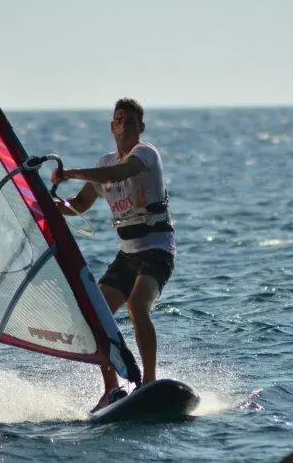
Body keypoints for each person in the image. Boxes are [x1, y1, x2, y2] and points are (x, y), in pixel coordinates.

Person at [50, 98, 175, 412]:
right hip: (127, 254)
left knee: (136, 305)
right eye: (119, 121)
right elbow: (78, 206)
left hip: (157, 249)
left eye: (131, 122)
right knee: (98, 315)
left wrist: (72, 173)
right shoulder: (104, 163)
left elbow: (120, 174)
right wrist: (50, 205)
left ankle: (148, 382)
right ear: (112, 126)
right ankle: (111, 390)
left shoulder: (145, 155)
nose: (124, 127)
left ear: (140, 127)